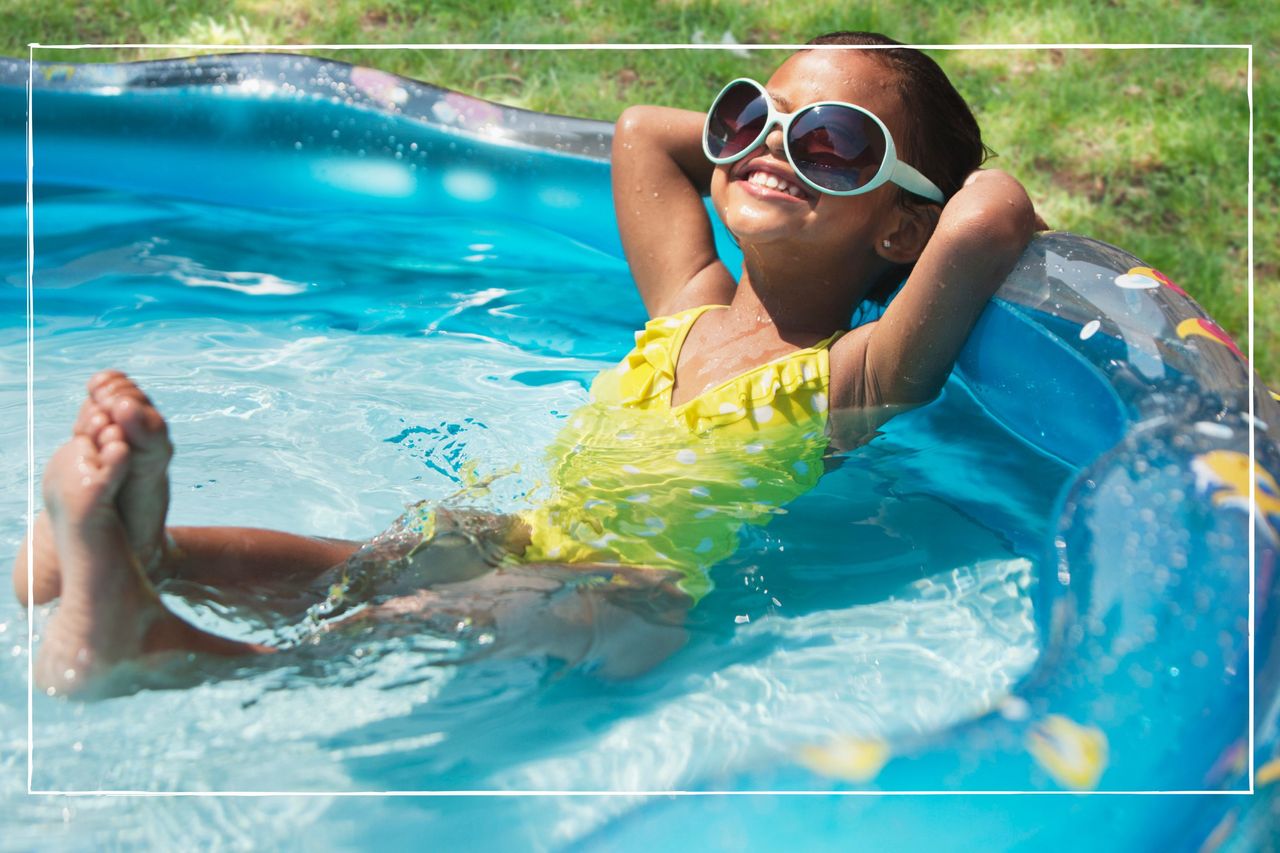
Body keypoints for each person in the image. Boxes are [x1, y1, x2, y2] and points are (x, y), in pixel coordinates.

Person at [17, 32, 1038, 697]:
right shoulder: (686, 305)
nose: (771, 148)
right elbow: (641, 135)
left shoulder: (850, 376)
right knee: (389, 551)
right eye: (750, 119)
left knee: (452, 607)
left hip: (631, 594)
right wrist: (781, 149)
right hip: (527, 532)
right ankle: (143, 549)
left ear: (904, 228)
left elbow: (990, 207)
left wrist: (900, 191)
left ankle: (174, 655)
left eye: (832, 145)